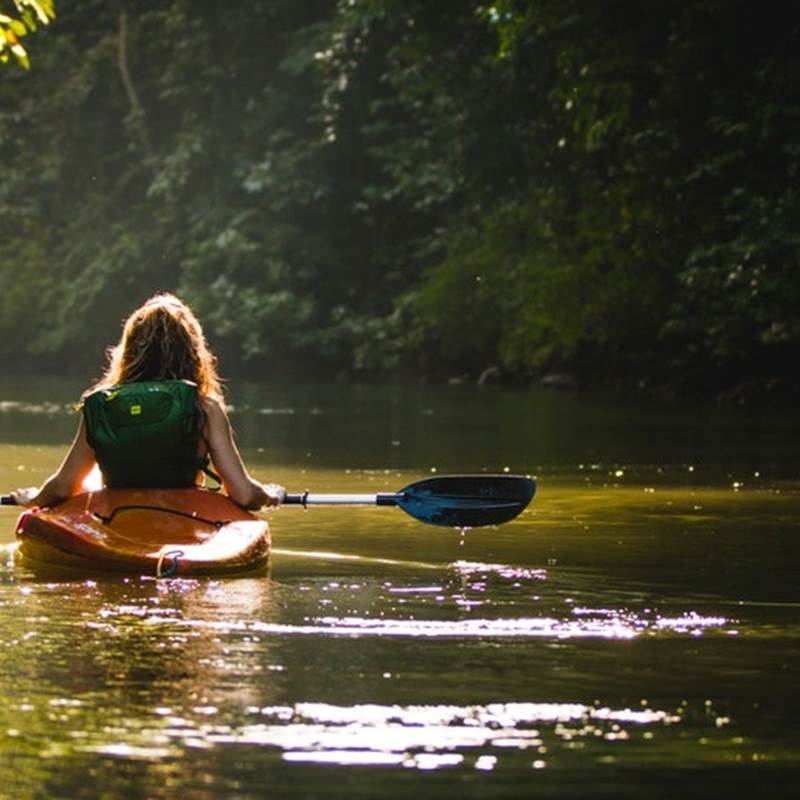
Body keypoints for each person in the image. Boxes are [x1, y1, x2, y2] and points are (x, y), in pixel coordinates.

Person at [11, 293, 284, 510]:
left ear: (129, 350)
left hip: (115, 518)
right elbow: (244, 495)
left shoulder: (103, 406)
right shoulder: (205, 408)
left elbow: (63, 487)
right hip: (184, 518)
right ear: (192, 352)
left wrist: (34, 499)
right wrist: (271, 494)